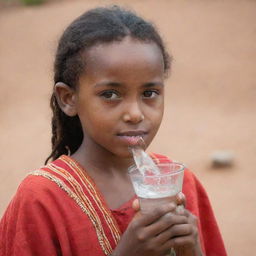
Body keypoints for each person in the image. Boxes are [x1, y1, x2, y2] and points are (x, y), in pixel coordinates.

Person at [0, 6, 227, 256]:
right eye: (110, 94)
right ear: (68, 99)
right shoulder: (42, 199)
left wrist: (192, 250)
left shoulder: (179, 185)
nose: (135, 113)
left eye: (149, 93)